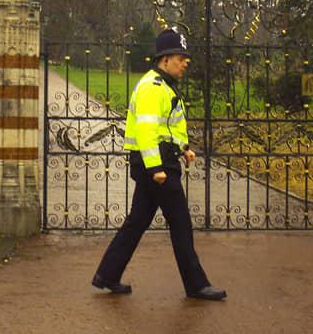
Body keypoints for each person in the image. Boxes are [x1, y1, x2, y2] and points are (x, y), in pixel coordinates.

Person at [91, 28, 227, 300]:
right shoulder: (152, 88)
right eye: (181, 57)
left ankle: (107, 275)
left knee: (137, 222)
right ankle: (197, 285)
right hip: (156, 167)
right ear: (165, 60)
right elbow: (147, 132)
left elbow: (167, 128)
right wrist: (156, 169)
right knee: (181, 224)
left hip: (158, 164)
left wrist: (184, 148)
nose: (186, 62)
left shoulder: (162, 86)